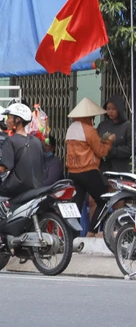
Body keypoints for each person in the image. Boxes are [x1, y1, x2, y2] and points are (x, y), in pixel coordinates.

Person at [0, 102, 43, 242]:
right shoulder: (36, 141)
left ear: (17, 120)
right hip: (35, 185)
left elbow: (2, 168)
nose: (6, 120)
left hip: (15, 186)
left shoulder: (11, 141)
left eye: (9, 117)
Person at [65, 97, 114, 233]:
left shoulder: (70, 129)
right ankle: (91, 231)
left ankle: (72, 236)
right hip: (88, 171)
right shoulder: (89, 130)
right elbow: (101, 152)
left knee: (76, 205)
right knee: (104, 201)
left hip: (73, 172)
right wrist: (109, 141)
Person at [98, 95, 132, 173]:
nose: (110, 112)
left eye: (113, 109)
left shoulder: (128, 126)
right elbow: (96, 142)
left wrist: (111, 151)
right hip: (103, 169)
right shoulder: (102, 125)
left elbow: (131, 149)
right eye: (108, 109)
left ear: (120, 109)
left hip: (121, 169)